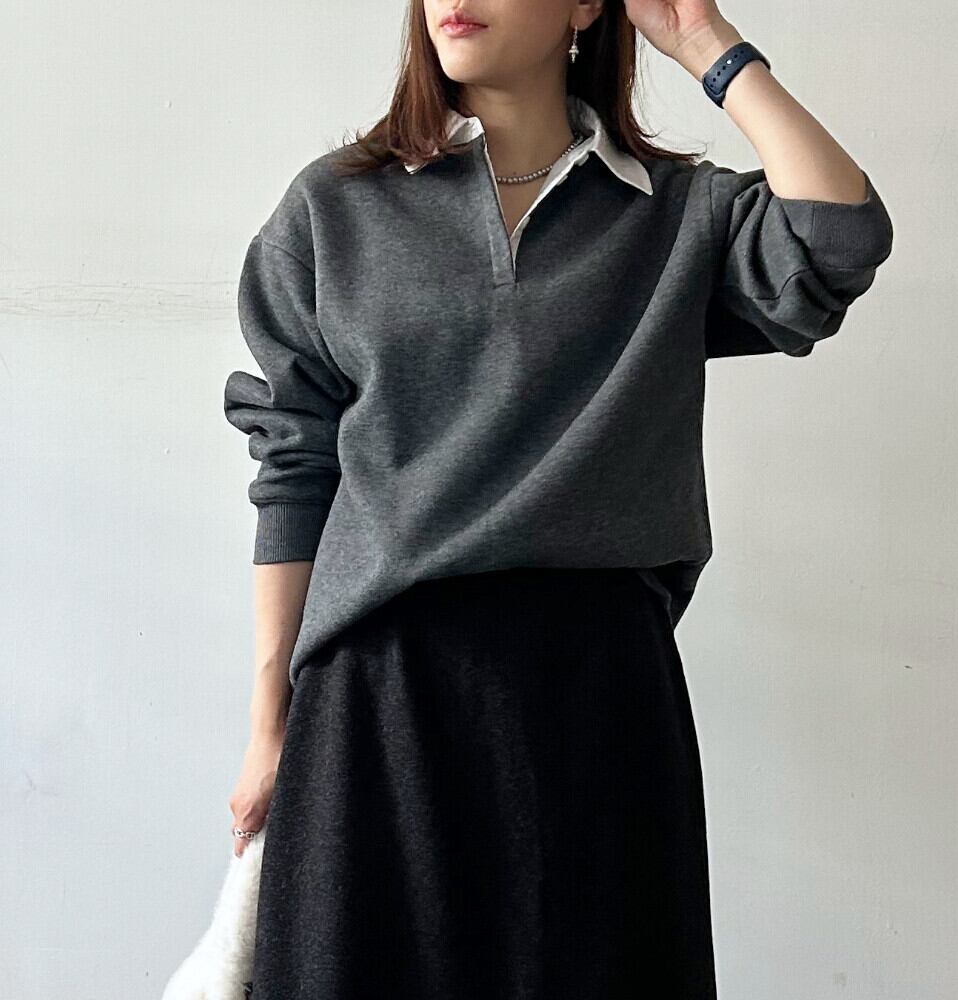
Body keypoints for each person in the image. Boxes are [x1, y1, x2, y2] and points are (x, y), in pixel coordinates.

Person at [223, 1, 894, 997]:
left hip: (600, 700)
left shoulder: (672, 213)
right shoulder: (336, 207)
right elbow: (294, 463)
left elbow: (839, 239)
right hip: (382, 695)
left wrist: (706, 45)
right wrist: (268, 724)